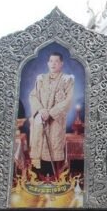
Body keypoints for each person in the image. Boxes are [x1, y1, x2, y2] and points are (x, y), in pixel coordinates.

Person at [28, 52, 74, 180]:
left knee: (54, 147)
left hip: (56, 121)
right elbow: (33, 96)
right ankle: (38, 179)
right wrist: (41, 110)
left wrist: (51, 113)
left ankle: (53, 179)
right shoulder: (41, 79)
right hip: (41, 119)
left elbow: (68, 100)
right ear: (48, 63)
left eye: (56, 61)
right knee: (39, 146)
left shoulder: (67, 80)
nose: (53, 64)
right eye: (51, 61)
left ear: (61, 63)